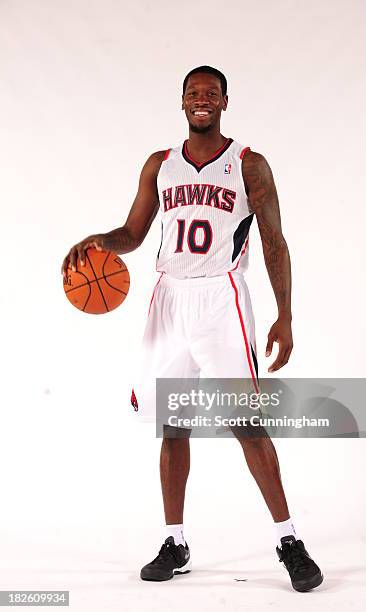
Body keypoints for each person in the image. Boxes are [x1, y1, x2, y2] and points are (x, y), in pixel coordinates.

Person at [61, 65, 323, 592]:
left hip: (222, 300)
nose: (201, 99)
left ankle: (289, 540)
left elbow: (275, 242)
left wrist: (285, 315)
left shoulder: (249, 165)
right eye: (193, 92)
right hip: (170, 299)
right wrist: (100, 241)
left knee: (247, 425)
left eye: (211, 93)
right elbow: (133, 233)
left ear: (225, 101)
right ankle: (175, 541)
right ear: (181, 101)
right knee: (172, 424)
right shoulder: (160, 165)